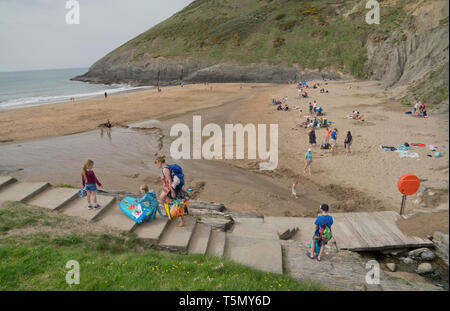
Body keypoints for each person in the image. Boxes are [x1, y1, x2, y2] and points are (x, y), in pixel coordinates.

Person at [154, 155, 185, 226]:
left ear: (159, 162)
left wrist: (172, 191)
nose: (156, 165)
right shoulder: (165, 167)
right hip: (166, 188)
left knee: (177, 204)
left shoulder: (165, 169)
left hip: (171, 188)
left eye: (156, 163)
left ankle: (182, 220)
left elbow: (170, 181)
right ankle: (168, 212)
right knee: (162, 199)